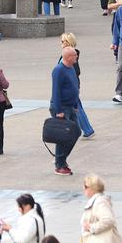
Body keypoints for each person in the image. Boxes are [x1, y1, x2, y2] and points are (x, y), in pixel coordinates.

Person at [49, 48, 82, 176]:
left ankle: (60, 159)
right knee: (62, 137)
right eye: (75, 55)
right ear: (68, 57)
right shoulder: (58, 70)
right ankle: (60, 164)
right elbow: (55, 91)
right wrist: (58, 111)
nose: (77, 57)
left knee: (76, 132)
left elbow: (74, 85)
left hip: (71, 107)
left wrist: (75, 104)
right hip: (61, 108)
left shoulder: (71, 67)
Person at [59, 33, 96, 138]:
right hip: (71, 86)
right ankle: (85, 130)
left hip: (70, 87)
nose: (60, 43)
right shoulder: (70, 54)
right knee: (76, 108)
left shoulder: (70, 55)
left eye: (62, 41)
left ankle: (85, 130)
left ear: (67, 42)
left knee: (75, 108)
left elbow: (76, 71)